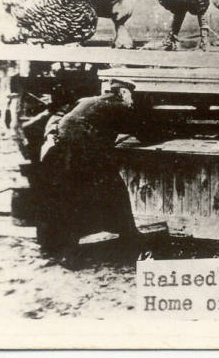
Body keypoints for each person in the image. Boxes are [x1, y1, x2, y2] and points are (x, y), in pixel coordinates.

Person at [36, 78, 149, 255]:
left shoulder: (89, 101)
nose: (132, 99)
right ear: (123, 92)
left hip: (61, 152)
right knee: (114, 191)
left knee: (68, 197)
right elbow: (143, 132)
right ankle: (128, 237)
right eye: (131, 95)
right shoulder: (119, 106)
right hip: (85, 155)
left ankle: (53, 246)